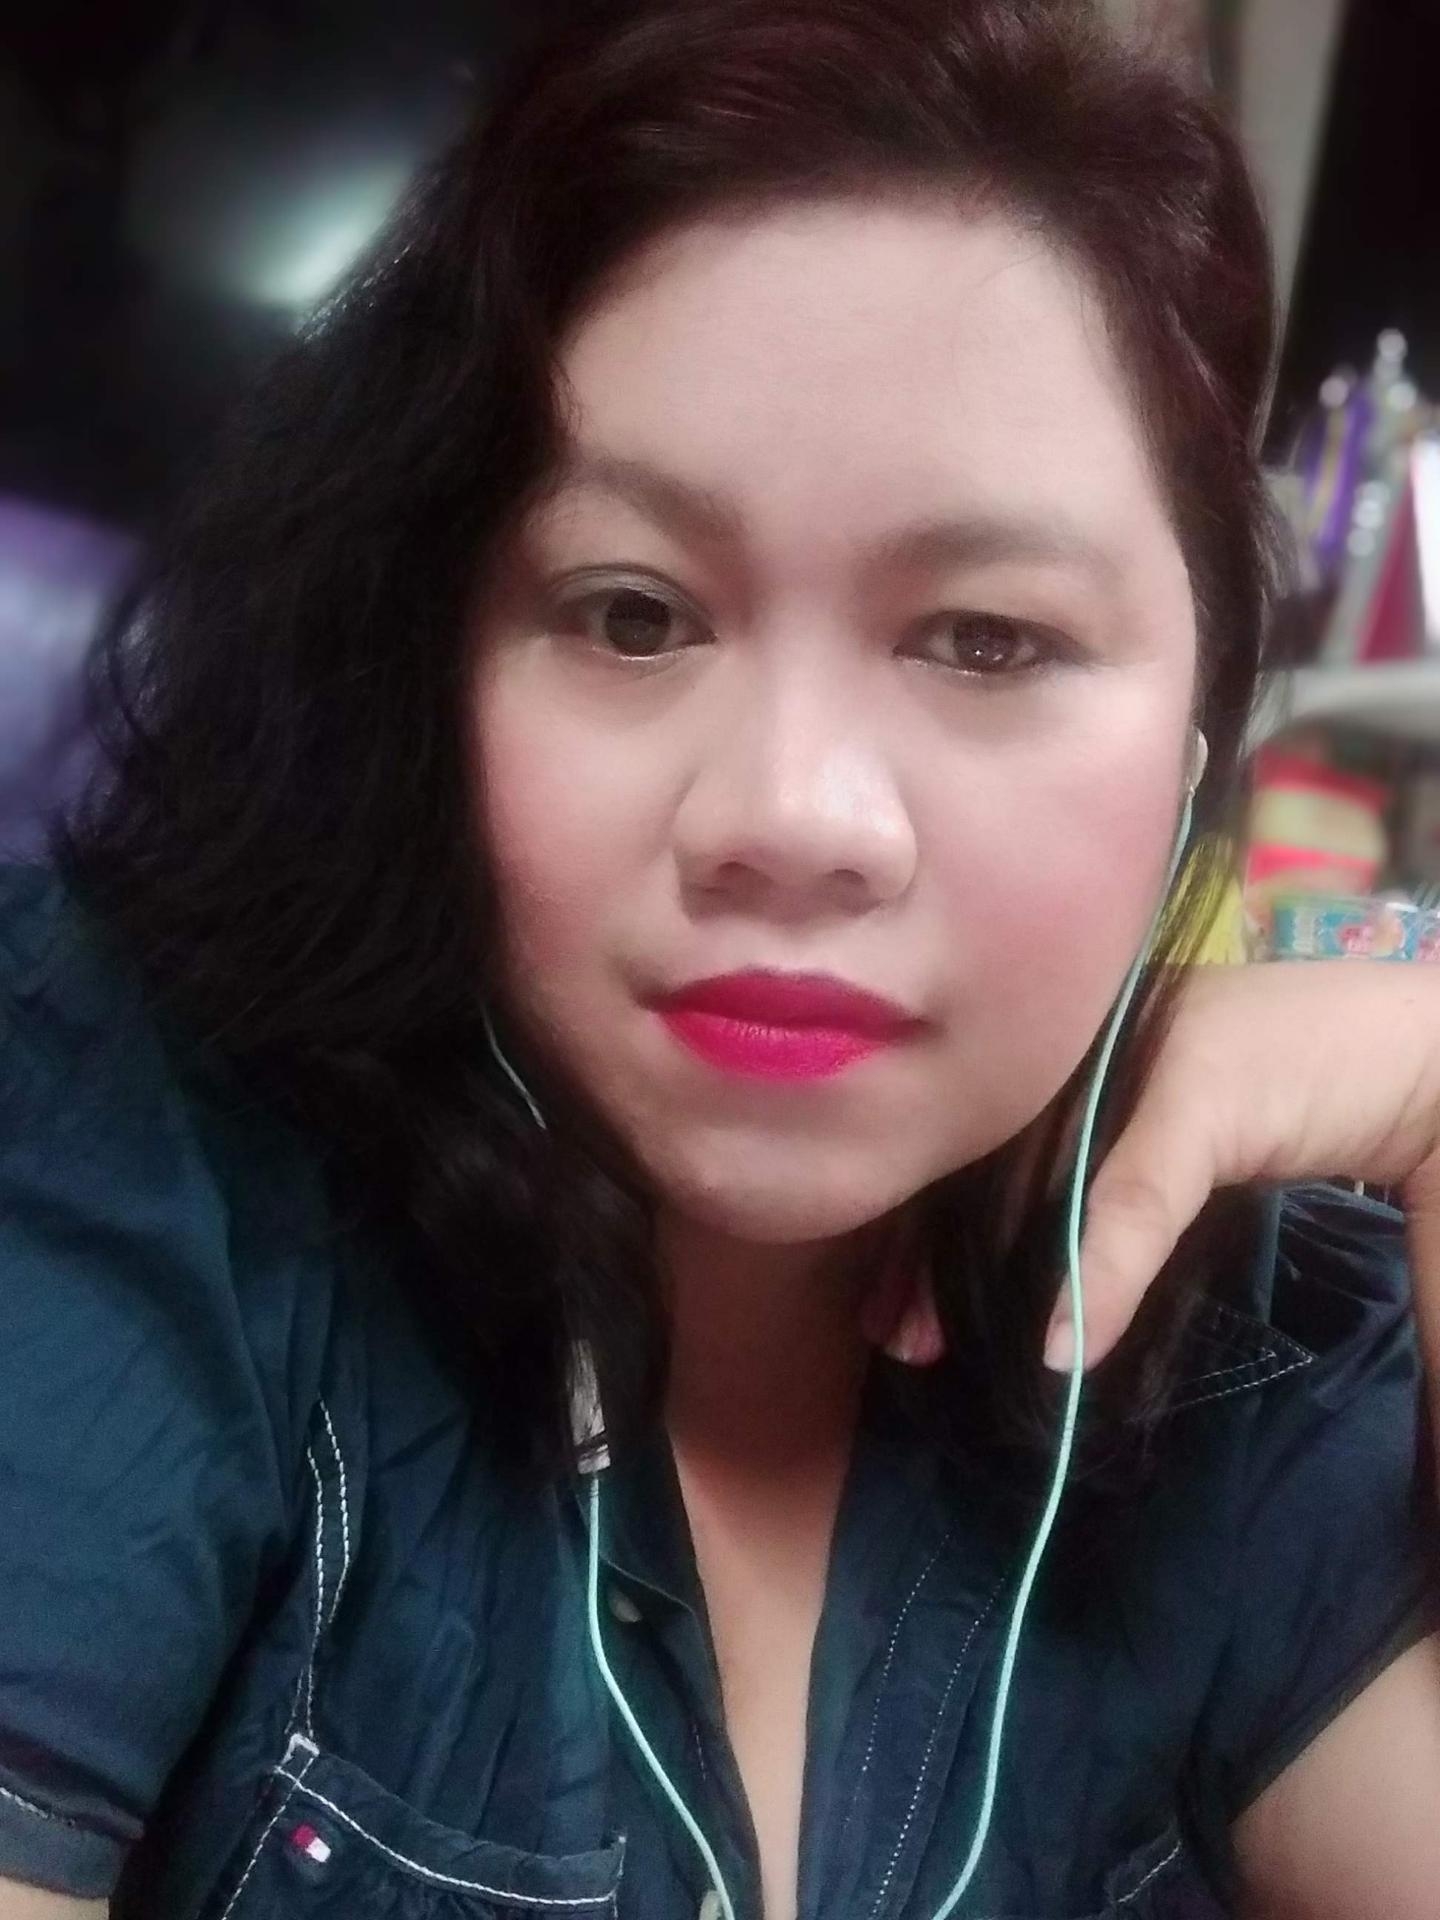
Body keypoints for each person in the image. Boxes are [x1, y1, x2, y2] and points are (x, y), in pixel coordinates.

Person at [2, 2, 1438, 1916]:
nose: (792, 815)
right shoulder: (142, 1169)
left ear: (1190, 760)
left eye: (987, 639)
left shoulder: (1246, 1360)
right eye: (631, 613)